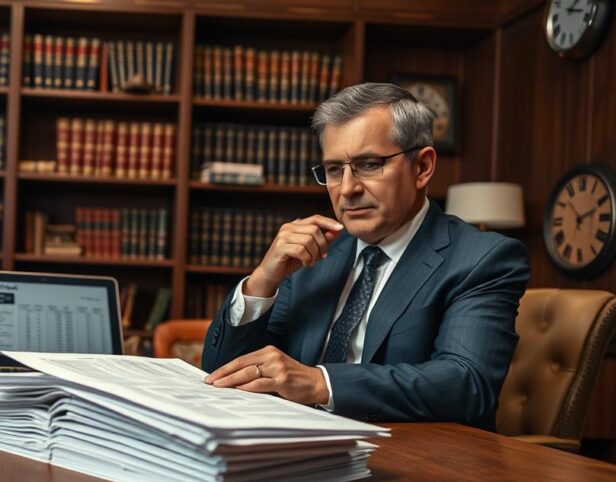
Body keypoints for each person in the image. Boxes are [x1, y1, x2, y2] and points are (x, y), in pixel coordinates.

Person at [201, 82, 529, 430]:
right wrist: (261, 282)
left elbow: (467, 384)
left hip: (411, 461)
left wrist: (320, 383)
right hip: (296, 451)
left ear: (422, 167)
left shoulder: (482, 259)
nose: (347, 189)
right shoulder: (313, 257)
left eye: (369, 164)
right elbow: (221, 375)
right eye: (333, 170)